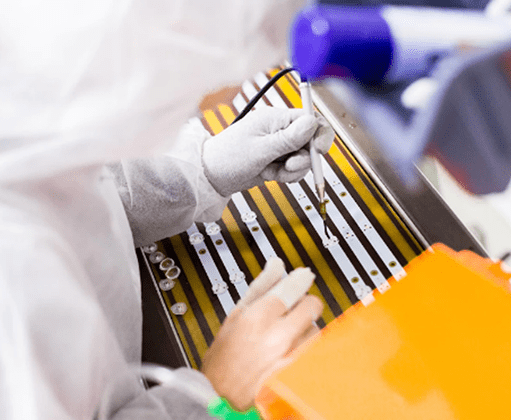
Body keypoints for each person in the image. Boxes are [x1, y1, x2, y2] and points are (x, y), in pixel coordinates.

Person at [0, 0, 335, 419]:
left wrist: (203, 170)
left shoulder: (32, 82)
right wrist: (216, 394)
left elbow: (75, 188)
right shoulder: (13, 271)